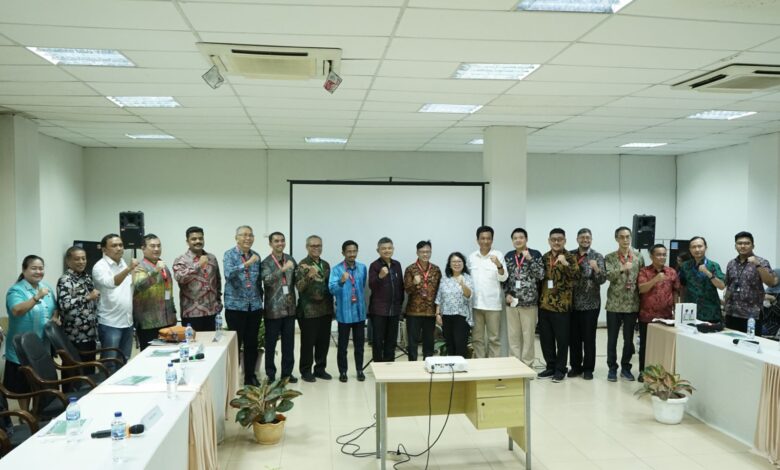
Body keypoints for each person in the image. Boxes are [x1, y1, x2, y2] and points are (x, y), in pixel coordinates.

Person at [4, 255, 59, 410]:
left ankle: (38, 411)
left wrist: (55, 317)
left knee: (41, 381)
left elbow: (55, 307)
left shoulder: (45, 286)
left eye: (41, 268)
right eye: (34, 268)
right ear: (24, 270)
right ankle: (24, 415)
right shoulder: (16, 290)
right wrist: (36, 297)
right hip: (21, 347)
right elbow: (16, 310)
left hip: (42, 345)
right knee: (23, 385)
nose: (38, 271)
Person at [223, 225, 264, 386]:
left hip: (254, 306)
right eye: (244, 235)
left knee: (251, 343)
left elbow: (258, 281)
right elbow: (228, 274)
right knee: (235, 344)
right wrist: (247, 264)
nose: (248, 238)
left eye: (250, 235)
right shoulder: (229, 254)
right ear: (236, 238)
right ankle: (232, 378)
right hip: (235, 307)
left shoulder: (256, 255)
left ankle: (250, 376)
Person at [538, 228, 580, 383]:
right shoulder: (545, 257)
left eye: (560, 239)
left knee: (562, 341)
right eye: (553, 239)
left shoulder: (570, 257)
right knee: (546, 339)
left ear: (565, 241)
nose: (556, 242)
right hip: (545, 305)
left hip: (562, 307)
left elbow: (577, 276)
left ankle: (560, 369)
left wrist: (565, 263)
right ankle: (550, 366)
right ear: (549, 241)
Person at [604, 226, 645, 382]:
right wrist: (621, 268)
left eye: (627, 236)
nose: (625, 240)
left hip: (632, 303)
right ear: (616, 239)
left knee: (629, 340)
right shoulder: (610, 257)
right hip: (614, 304)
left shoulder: (638, 257)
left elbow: (642, 277)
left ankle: (626, 368)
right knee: (612, 339)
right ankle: (612, 368)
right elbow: (608, 276)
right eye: (621, 237)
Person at [638, 244, 680, 380]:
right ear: (651, 256)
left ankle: (662, 374)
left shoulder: (671, 272)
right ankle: (643, 372)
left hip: (666, 316)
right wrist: (655, 280)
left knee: (663, 346)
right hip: (647, 316)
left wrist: (676, 308)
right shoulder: (644, 271)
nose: (662, 257)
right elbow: (641, 289)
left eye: (664, 254)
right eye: (658, 255)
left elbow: (676, 291)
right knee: (646, 346)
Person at [93, 233, 136, 367]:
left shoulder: (123, 263)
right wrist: (129, 269)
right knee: (109, 363)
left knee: (124, 360)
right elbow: (111, 283)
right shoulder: (100, 266)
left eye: (121, 245)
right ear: (104, 250)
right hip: (110, 323)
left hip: (127, 321)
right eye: (114, 245)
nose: (119, 248)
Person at [295, 235, 334, 382]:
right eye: (313, 246)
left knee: (323, 342)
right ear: (307, 247)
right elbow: (299, 287)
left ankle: (320, 369)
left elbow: (329, 287)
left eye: (319, 245)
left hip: (325, 310)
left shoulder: (326, 265)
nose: (316, 248)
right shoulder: (302, 265)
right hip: (308, 311)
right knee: (308, 343)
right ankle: (305, 371)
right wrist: (309, 276)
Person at [568, 228, 606, 380]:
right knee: (574, 339)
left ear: (591, 239)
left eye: (588, 237)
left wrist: (596, 268)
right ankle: (576, 367)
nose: (585, 240)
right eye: (582, 237)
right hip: (572, 303)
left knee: (589, 338)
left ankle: (588, 368)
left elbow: (602, 280)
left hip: (591, 304)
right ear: (577, 239)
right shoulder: (570, 255)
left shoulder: (597, 256)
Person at [503, 228, 544, 367]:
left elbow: (541, 275)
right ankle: (514, 365)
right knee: (513, 336)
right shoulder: (509, 256)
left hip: (529, 303)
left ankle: (527, 365)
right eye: (515, 238)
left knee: (528, 337)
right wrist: (506, 294)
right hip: (512, 303)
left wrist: (530, 259)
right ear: (512, 240)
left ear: (526, 239)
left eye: (521, 237)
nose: (518, 240)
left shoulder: (535, 254)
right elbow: (504, 278)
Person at [260, 231, 298, 383]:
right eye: (276, 241)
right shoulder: (266, 262)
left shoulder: (290, 259)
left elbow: (296, 280)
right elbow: (267, 280)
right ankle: (270, 374)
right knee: (271, 344)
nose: (280, 243)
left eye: (282, 240)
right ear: (270, 243)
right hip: (273, 310)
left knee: (289, 344)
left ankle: (287, 374)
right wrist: (282, 269)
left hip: (289, 309)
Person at [724, 231, 779, 333]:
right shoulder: (731, 264)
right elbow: (728, 285)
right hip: (731, 313)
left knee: (750, 342)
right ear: (735, 246)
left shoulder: (762, 262)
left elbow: (771, 283)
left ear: (753, 246)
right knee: (729, 341)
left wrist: (757, 265)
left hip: (752, 315)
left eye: (747, 243)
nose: (743, 246)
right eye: (739, 243)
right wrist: (725, 304)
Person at [329, 240, 368, 383]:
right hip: (344, 314)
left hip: (359, 313)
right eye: (349, 251)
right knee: (343, 346)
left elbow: (362, 286)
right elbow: (331, 290)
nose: (352, 254)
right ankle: (343, 372)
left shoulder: (362, 268)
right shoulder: (336, 269)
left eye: (354, 251)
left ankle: (359, 370)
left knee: (360, 346)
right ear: (343, 252)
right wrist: (341, 281)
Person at [468, 226, 508, 358]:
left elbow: (503, 277)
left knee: (494, 339)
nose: (485, 241)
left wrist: (498, 265)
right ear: (477, 240)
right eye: (482, 238)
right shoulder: (472, 257)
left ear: (492, 239)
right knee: (477, 338)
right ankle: (480, 364)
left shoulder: (498, 255)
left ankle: (493, 365)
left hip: (492, 305)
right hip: (475, 304)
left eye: (488, 238)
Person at [173, 226, 223, 332]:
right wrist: (198, 265)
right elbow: (180, 278)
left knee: (212, 342)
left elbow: (218, 281)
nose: (198, 241)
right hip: (191, 314)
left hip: (212, 311)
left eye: (200, 238)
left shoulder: (212, 258)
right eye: (194, 239)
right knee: (193, 342)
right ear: (187, 242)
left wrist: (218, 301)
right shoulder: (181, 260)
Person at [132, 234, 177, 351]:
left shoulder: (163, 266)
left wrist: (173, 313)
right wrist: (155, 270)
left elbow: (168, 291)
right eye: (152, 246)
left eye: (159, 246)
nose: (156, 249)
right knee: (150, 355)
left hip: (167, 320)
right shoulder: (140, 267)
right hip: (149, 322)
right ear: (143, 248)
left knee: (169, 353)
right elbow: (140, 285)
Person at [57, 246, 100, 364]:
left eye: (83, 258)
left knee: (89, 368)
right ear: (68, 261)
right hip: (75, 336)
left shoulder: (86, 277)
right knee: (74, 369)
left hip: (90, 334)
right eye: (77, 259)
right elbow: (64, 305)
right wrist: (87, 297)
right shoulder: (65, 280)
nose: (81, 262)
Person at [403, 240, 442, 361]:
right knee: (412, 342)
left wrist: (438, 312)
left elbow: (439, 292)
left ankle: (428, 365)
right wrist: (414, 283)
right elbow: (407, 290)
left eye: (428, 251)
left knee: (429, 341)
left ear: (431, 252)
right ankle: (412, 366)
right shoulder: (410, 269)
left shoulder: (436, 269)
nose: (425, 254)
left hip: (430, 312)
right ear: (417, 252)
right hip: (413, 312)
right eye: (422, 252)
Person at [368, 237, 404, 363]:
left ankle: (389, 364)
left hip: (394, 309)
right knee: (378, 340)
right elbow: (372, 286)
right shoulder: (374, 265)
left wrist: (400, 306)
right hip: (379, 310)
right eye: (383, 248)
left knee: (391, 340)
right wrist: (380, 276)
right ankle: (378, 365)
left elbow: (400, 287)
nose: (387, 250)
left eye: (389, 248)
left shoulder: (397, 265)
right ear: (378, 250)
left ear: (393, 249)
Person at [678, 236, 725, 323]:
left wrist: (707, 272)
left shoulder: (713, 265)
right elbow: (683, 287)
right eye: (693, 247)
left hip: (710, 312)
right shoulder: (685, 266)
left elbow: (721, 286)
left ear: (705, 247)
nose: (697, 249)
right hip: (690, 312)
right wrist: (681, 306)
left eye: (700, 246)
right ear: (690, 249)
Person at [436, 252, 474, 357]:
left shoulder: (468, 278)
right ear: (449, 264)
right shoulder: (444, 279)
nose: (456, 264)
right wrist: (437, 314)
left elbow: (469, 295)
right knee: (450, 345)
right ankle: (452, 366)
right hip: (446, 316)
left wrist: (463, 284)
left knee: (460, 345)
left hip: (462, 316)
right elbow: (439, 297)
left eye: (459, 261)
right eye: (454, 261)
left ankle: (461, 366)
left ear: (463, 263)